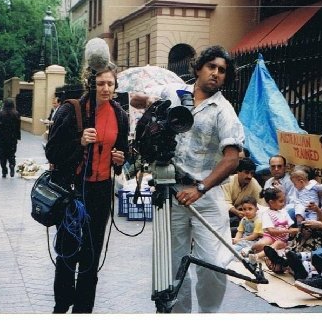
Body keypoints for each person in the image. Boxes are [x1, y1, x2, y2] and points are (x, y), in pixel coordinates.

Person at [133, 45, 245, 313]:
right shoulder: (174, 93)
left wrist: (201, 188)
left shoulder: (223, 110)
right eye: (211, 67)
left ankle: (207, 316)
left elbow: (232, 159)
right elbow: (139, 101)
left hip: (207, 193)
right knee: (173, 263)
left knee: (215, 263)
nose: (216, 74)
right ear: (198, 68)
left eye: (222, 71)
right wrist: (150, 105)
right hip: (170, 190)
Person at [45, 63, 129, 314]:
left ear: (115, 86)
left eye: (110, 84)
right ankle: (62, 304)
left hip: (101, 191)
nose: (105, 88)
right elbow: (52, 151)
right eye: (100, 83)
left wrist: (120, 159)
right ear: (91, 84)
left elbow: (124, 152)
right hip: (73, 191)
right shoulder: (72, 110)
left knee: (92, 254)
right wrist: (79, 142)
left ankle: (83, 309)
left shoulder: (120, 115)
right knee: (68, 250)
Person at [222, 157, 263, 236]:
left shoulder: (253, 182)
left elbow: (261, 202)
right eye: (246, 172)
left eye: (252, 173)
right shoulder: (228, 181)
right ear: (238, 171)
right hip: (226, 214)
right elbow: (225, 202)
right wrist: (237, 212)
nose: (249, 176)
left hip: (244, 216)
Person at [251, 187, 297, 255]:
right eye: (281, 201)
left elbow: (290, 227)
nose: (283, 203)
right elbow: (271, 231)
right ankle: (250, 249)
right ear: (271, 202)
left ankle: (258, 256)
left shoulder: (284, 211)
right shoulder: (266, 213)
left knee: (277, 244)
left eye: (284, 201)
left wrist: (295, 230)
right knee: (261, 244)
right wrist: (288, 231)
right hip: (270, 237)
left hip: (282, 240)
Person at [0, 99, 21, 178]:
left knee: (2, 155)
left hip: (2, 137)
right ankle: (12, 165)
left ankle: (4, 170)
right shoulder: (16, 114)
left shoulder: (1, 113)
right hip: (12, 137)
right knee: (12, 154)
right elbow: (18, 127)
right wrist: (18, 137)